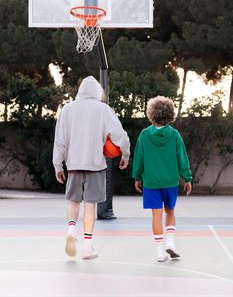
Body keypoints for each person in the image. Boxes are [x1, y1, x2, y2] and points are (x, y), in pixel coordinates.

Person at [53, 76, 130, 259]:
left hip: (73, 164)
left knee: (73, 201)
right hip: (96, 165)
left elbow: (60, 140)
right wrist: (125, 153)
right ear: (97, 92)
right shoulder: (103, 109)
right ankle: (87, 248)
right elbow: (120, 135)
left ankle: (71, 229)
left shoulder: (67, 110)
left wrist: (58, 164)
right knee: (90, 206)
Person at [132, 96, 192, 263]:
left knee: (156, 216)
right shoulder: (174, 135)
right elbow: (182, 158)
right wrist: (187, 178)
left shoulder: (144, 135)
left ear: (151, 114)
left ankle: (160, 252)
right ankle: (170, 242)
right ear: (170, 114)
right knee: (170, 211)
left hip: (151, 182)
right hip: (170, 181)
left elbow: (139, 158)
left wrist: (137, 176)